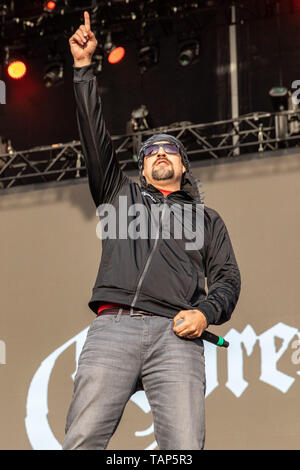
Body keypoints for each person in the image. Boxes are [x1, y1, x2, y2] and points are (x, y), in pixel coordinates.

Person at [63, 11, 241, 450]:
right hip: (114, 328)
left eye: (170, 150)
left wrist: (205, 314)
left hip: (177, 336)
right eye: (150, 152)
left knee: (182, 449)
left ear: (183, 165)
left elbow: (228, 280)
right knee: (82, 439)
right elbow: (93, 135)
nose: (160, 153)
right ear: (142, 168)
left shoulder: (206, 218)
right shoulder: (118, 194)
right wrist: (84, 69)